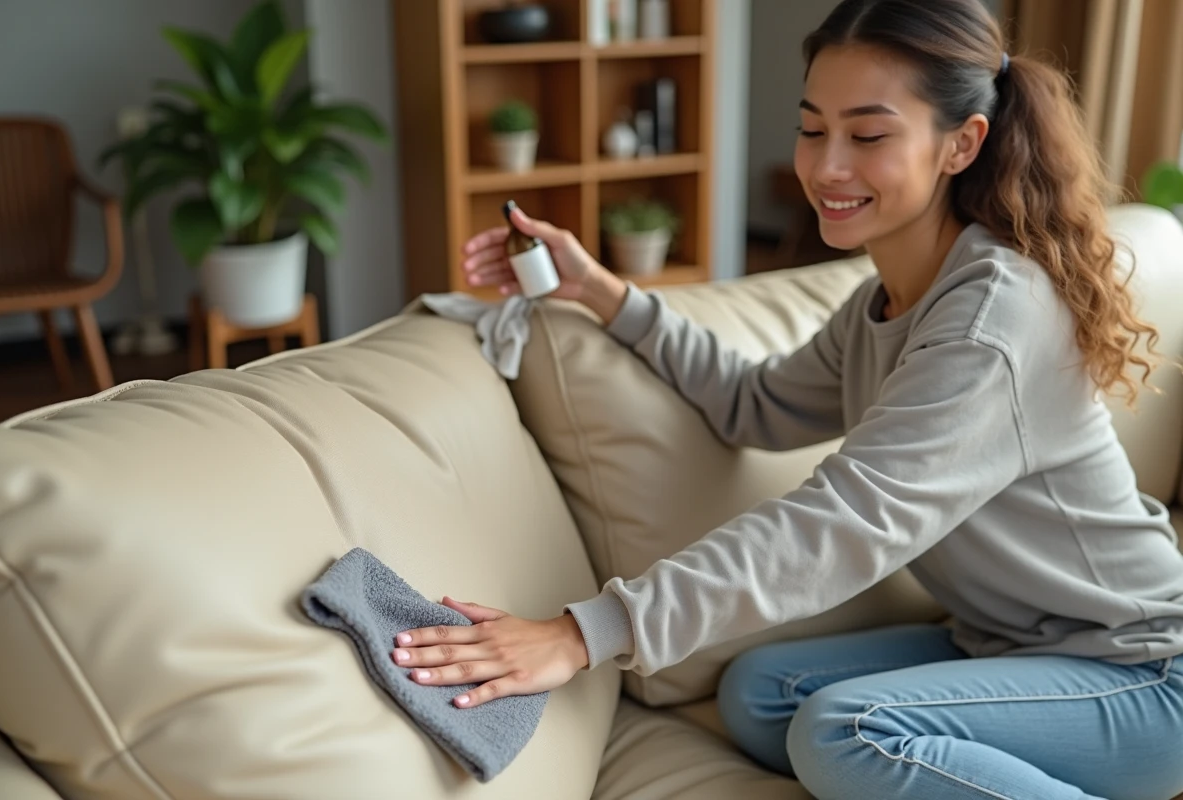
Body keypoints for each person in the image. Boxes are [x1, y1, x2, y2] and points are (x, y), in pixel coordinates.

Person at [390, 0, 1183, 796]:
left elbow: (845, 523)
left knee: (843, 731)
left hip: (1143, 674)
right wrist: (602, 293)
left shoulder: (992, 319)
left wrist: (582, 633)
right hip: (1003, 646)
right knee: (760, 693)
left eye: (867, 136)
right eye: (812, 129)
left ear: (961, 144)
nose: (826, 167)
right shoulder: (885, 303)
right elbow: (755, 405)